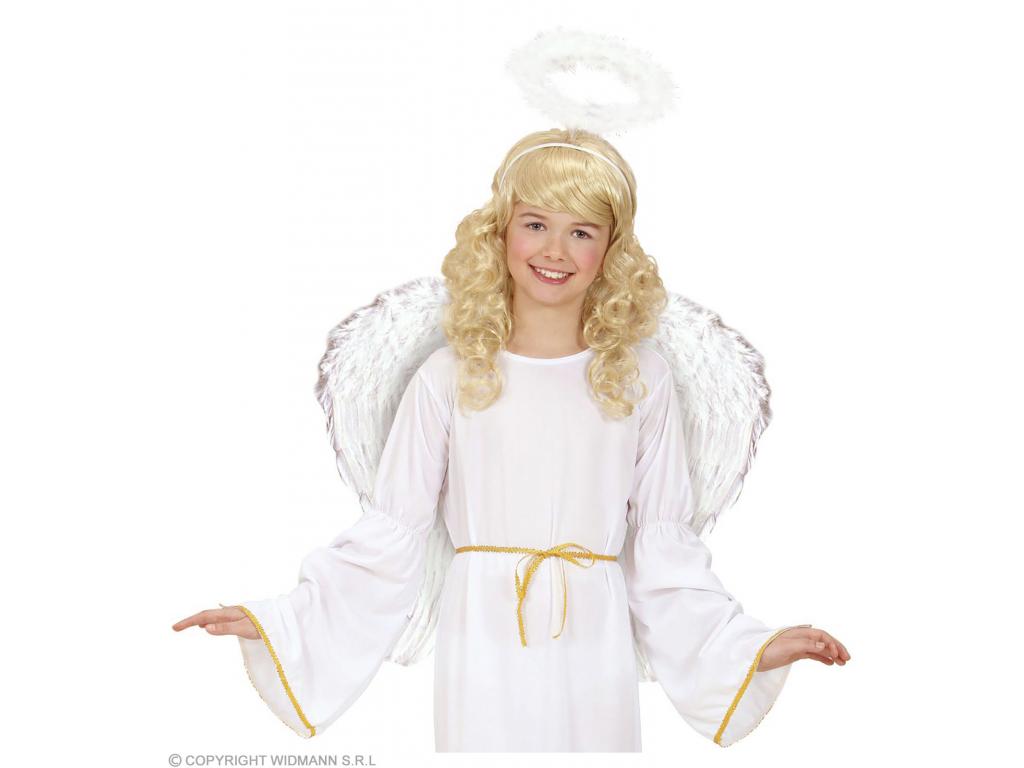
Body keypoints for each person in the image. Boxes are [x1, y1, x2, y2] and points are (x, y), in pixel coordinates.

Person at [173, 128, 850, 751]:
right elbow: (392, 532)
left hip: (594, 636)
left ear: (611, 251)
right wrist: (282, 623)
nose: (555, 251)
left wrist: (749, 648)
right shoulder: (451, 376)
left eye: (581, 231)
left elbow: (663, 546)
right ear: (499, 233)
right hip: (484, 632)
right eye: (535, 224)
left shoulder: (639, 378)